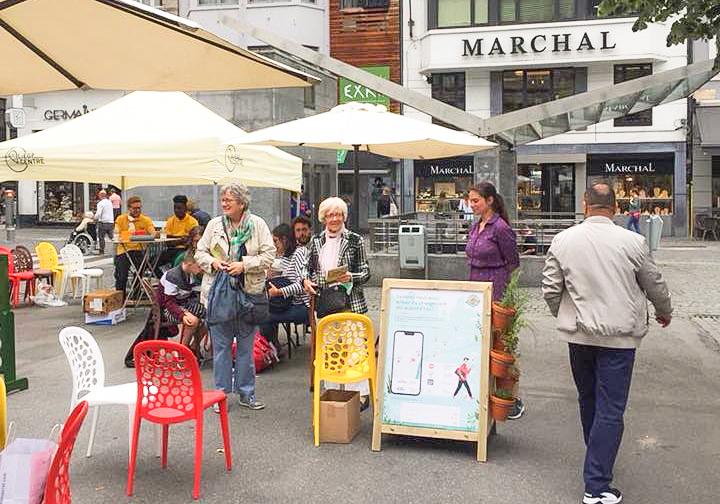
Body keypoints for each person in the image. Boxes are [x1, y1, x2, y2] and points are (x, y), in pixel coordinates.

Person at [542, 182, 672, 504]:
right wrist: (664, 311)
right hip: (620, 338)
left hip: (579, 335)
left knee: (588, 399)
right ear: (614, 207)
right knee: (611, 408)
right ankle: (597, 485)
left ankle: (597, 458)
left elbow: (549, 288)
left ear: (585, 204)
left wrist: (566, 315)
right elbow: (653, 282)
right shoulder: (634, 241)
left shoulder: (563, 240)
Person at [195, 183, 275, 411]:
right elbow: (200, 252)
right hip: (219, 295)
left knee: (245, 349)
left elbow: (269, 255)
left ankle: (246, 393)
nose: (224, 203)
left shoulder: (257, 224)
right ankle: (220, 395)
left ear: (242, 203)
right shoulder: (214, 225)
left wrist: (245, 265)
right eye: (223, 200)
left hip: (249, 295)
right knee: (220, 349)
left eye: (229, 200)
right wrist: (213, 262)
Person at [303, 196, 371, 410]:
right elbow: (307, 269)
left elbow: (367, 272)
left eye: (338, 214)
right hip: (326, 301)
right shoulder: (315, 241)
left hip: (351, 300)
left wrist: (351, 276)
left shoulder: (355, 240)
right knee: (331, 348)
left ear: (344, 216)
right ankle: (332, 392)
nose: (334, 219)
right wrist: (306, 281)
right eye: (330, 215)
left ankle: (360, 393)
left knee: (355, 348)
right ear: (323, 218)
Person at [465, 182, 524, 419]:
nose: (472, 204)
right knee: (480, 341)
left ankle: (510, 397)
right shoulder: (475, 226)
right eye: (470, 200)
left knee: (501, 346)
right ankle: (483, 392)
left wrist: (507, 296)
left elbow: (513, 263)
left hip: (496, 288)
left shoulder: (500, 228)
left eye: (476, 200)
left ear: (489, 200)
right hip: (475, 287)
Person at [260, 223, 310, 355]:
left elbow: (302, 284)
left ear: (285, 239)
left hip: (300, 305)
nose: (274, 244)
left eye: (275, 241)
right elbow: (284, 278)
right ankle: (271, 347)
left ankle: (270, 350)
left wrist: (279, 291)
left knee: (265, 315)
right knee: (260, 309)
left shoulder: (300, 252)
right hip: (285, 303)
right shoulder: (285, 256)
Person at [156, 254, 205, 346]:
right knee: (192, 321)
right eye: (199, 266)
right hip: (168, 309)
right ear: (190, 264)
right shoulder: (172, 276)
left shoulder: (190, 273)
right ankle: (183, 350)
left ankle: (194, 346)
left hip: (184, 303)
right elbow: (169, 303)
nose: (201, 269)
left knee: (212, 316)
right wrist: (182, 315)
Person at [114, 196, 155, 299]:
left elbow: (153, 232)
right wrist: (127, 233)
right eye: (134, 208)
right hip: (124, 250)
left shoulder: (146, 220)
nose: (137, 210)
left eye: (139, 208)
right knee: (121, 275)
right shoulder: (121, 219)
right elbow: (116, 233)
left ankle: (136, 294)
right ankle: (120, 298)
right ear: (129, 208)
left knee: (139, 271)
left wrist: (148, 233)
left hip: (138, 249)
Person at [157, 195, 199, 273]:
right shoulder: (170, 220)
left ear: (185, 208)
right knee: (153, 262)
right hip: (171, 249)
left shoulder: (192, 222)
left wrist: (174, 239)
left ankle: (174, 280)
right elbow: (167, 242)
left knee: (178, 260)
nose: (176, 210)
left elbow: (189, 242)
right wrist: (181, 239)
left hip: (186, 250)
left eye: (179, 208)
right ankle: (164, 279)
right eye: (175, 208)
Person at [94, 189, 114, 255]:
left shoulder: (100, 203)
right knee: (112, 237)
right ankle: (118, 247)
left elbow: (99, 213)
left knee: (101, 237)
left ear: (100, 196)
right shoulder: (109, 202)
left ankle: (102, 250)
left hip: (103, 222)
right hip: (111, 221)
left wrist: (94, 218)